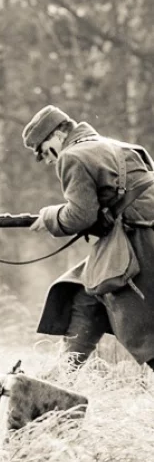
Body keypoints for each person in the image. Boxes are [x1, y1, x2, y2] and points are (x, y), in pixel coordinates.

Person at [24, 104, 154, 371]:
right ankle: (65, 375)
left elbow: (79, 216)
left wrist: (49, 216)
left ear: (58, 134)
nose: (47, 160)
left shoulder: (72, 156)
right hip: (137, 237)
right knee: (84, 292)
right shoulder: (124, 147)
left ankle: (65, 375)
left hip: (138, 245)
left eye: (44, 151)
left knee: (143, 327)